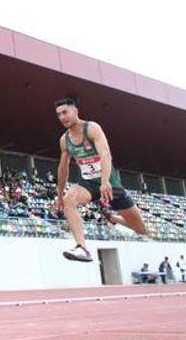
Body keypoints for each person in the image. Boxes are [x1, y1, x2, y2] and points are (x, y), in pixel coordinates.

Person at [52, 98, 148, 262]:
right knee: (69, 200)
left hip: (110, 184)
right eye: (59, 114)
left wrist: (105, 181)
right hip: (88, 184)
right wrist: (59, 194)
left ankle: (114, 218)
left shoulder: (92, 128)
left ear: (76, 111)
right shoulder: (64, 140)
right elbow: (63, 168)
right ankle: (82, 248)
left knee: (141, 230)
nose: (62, 117)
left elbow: (105, 154)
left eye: (65, 112)